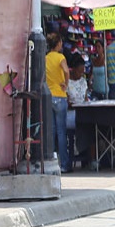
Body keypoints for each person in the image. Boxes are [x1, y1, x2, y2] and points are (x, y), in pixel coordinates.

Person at [45, 33, 70, 173]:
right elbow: (66, 71)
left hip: (49, 96)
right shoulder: (60, 57)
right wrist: (65, 84)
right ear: (59, 43)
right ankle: (64, 164)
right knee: (62, 132)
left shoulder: (45, 58)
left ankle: (51, 162)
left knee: (52, 131)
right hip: (60, 96)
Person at [66, 53, 89, 169]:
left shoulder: (83, 82)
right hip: (71, 112)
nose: (81, 74)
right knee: (81, 122)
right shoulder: (67, 83)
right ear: (73, 69)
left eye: (82, 72)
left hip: (82, 111)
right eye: (79, 71)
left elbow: (85, 98)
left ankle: (87, 155)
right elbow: (66, 102)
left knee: (90, 124)